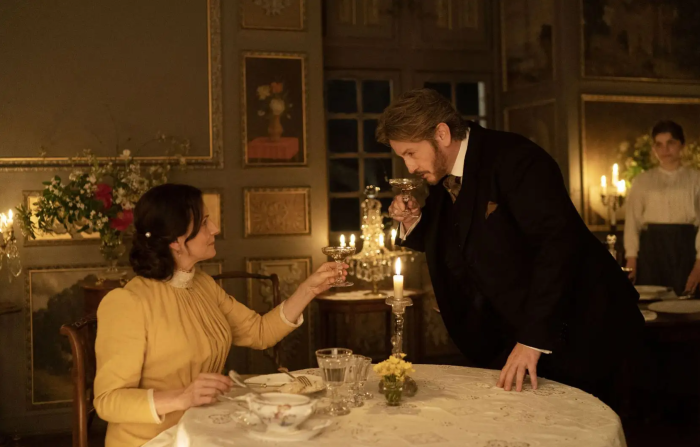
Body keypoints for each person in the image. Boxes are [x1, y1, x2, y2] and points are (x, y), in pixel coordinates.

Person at [378, 88, 643, 406]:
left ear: (442, 134)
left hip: (586, 329)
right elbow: (458, 239)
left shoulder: (516, 159)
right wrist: (412, 220)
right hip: (514, 334)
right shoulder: (445, 175)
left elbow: (558, 246)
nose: (409, 167)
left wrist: (532, 339)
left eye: (411, 153)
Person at [93, 184, 347, 447]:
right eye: (204, 222)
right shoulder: (128, 303)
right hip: (154, 441)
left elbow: (260, 332)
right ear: (175, 241)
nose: (215, 228)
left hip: (205, 428)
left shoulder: (202, 284)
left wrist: (308, 289)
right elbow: (108, 401)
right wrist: (182, 397)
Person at [624, 120, 700, 297]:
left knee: (685, 301)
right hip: (652, 249)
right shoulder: (642, 181)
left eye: (670, 143)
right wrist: (631, 259)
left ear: (681, 145)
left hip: (685, 247)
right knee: (652, 300)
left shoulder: (696, 179)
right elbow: (632, 221)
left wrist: (699, 265)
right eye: (659, 144)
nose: (665, 150)